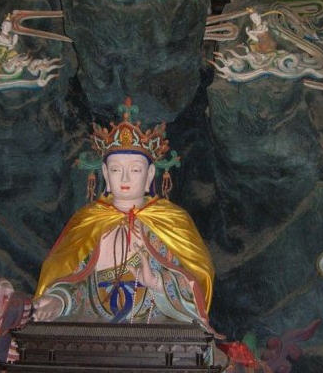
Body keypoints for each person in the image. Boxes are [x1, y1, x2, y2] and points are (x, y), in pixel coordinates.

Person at [32, 99, 215, 330]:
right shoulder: (89, 221)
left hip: (155, 333)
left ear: (150, 175)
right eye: (116, 170)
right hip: (94, 334)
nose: (125, 178)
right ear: (105, 174)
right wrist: (58, 301)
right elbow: (78, 285)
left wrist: (156, 282)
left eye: (135, 170)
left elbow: (196, 284)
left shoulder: (171, 221)